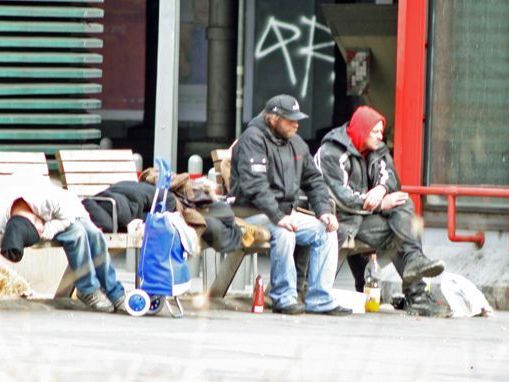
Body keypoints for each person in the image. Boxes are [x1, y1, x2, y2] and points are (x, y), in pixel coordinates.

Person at [314, 105, 450, 317]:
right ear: (360, 129)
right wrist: (379, 204)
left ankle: (415, 264)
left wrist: (381, 188)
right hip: (340, 220)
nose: (379, 136)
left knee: (403, 204)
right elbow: (340, 198)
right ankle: (418, 295)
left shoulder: (377, 149)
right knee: (398, 229)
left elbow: (391, 178)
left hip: (363, 218)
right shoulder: (331, 152)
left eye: (381, 131)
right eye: (374, 131)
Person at [230, 94, 351, 316]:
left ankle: (319, 298)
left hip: (282, 213)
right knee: (284, 233)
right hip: (249, 213)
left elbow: (314, 180)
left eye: (297, 119)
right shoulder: (252, 139)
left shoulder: (297, 143)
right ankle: (283, 297)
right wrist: (279, 217)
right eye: (290, 119)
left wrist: (323, 211)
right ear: (273, 118)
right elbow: (254, 186)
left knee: (326, 231)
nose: (296, 124)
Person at [0, 175, 126, 313]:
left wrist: (48, 229)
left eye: (38, 224)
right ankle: (88, 289)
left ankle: (115, 292)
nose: (40, 229)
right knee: (76, 234)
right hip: (47, 214)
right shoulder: (3, 219)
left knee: (94, 234)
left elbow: (68, 217)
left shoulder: (46, 201)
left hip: (70, 210)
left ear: (35, 216)